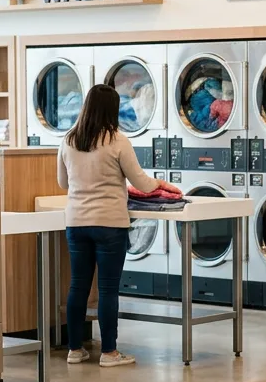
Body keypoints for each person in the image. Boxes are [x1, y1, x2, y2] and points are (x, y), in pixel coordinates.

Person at [57, 83, 182, 367]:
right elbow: (141, 182)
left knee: (78, 286)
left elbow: (63, 183)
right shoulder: (117, 140)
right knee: (108, 289)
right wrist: (160, 183)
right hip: (109, 224)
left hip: (76, 222)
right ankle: (109, 353)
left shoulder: (69, 139)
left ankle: (74, 350)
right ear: (112, 110)